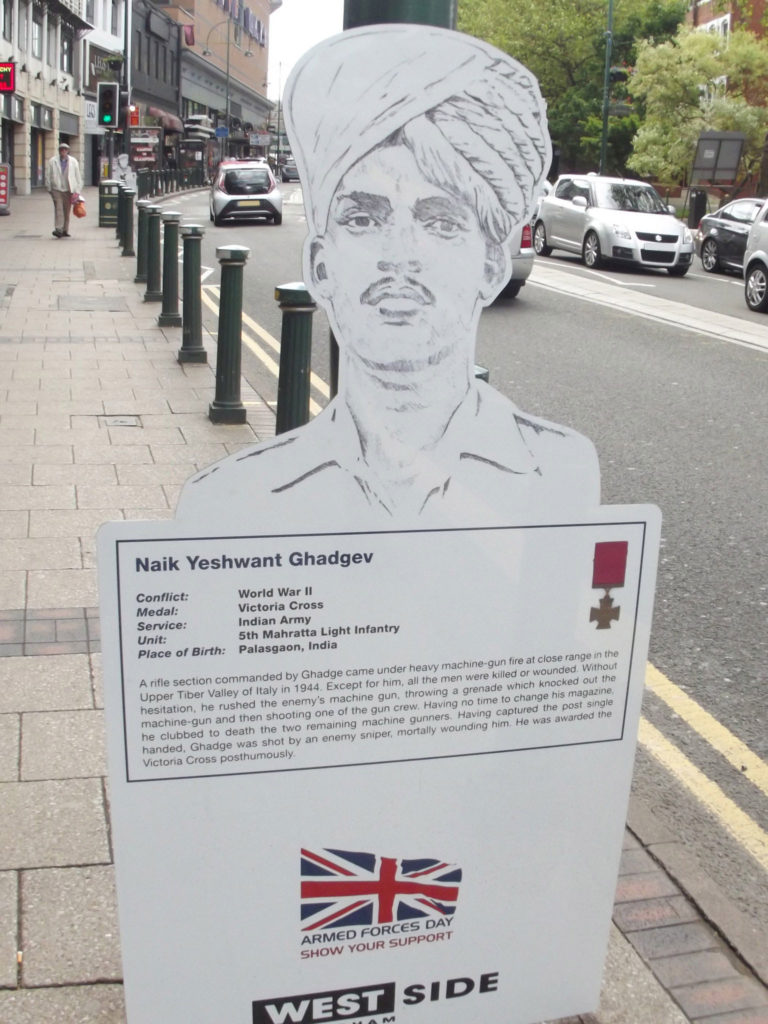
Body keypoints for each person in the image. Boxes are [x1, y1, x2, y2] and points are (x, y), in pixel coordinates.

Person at [176, 25, 600, 531]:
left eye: (440, 222)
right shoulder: (227, 502)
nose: (399, 257)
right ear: (320, 266)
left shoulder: (561, 470)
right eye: (363, 219)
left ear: (492, 267)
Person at [45, 141, 83, 238]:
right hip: (56, 189)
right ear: (59, 151)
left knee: (66, 210)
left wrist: (77, 191)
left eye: (65, 150)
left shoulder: (73, 161)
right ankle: (58, 229)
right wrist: (49, 188)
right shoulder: (52, 161)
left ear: (68, 151)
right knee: (59, 209)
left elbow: (78, 177)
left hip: (69, 189)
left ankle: (65, 230)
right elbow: (48, 175)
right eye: (61, 149)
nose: (63, 151)